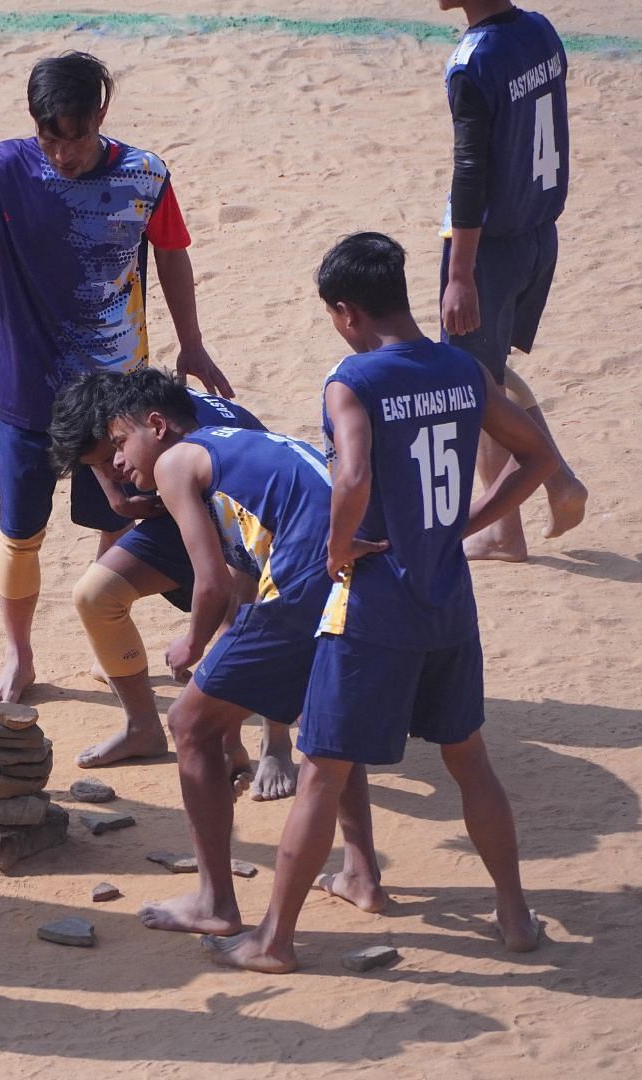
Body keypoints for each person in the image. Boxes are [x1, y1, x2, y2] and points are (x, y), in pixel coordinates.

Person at [207, 233, 554, 972]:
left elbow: (354, 474)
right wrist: (466, 523)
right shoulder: (462, 369)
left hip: (373, 611)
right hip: (449, 604)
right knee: (472, 763)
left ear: (346, 312)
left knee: (321, 771)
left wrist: (337, 548)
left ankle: (273, 942)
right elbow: (538, 456)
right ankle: (517, 917)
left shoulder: (352, 380)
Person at [0, 50, 233, 706]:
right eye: (50, 138)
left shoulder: (146, 175)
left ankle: (105, 629)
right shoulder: (4, 167)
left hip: (117, 397)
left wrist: (195, 345)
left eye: (77, 137)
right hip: (27, 392)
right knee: (20, 532)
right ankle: (19, 652)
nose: (63, 154)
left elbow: (173, 255)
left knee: (119, 518)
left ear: (101, 115)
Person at [92, 378, 338, 937]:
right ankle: (364, 875)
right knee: (330, 727)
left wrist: (193, 645)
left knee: (188, 723)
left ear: (157, 426)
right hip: (358, 568)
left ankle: (215, 903)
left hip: (307, 580)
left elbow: (210, 587)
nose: (118, 461)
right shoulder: (236, 440)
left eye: (120, 443)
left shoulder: (176, 462)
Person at [46, 370, 301, 802]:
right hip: (180, 503)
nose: (114, 470)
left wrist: (197, 641)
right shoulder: (127, 427)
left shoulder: (185, 437)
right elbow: (106, 463)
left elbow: (226, 584)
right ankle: (142, 727)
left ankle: (275, 740)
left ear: (144, 426)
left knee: (244, 617)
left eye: (114, 456)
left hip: (249, 515)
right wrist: (116, 493)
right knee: (95, 595)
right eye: (97, 467)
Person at [437, 0, 588, 560]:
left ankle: (512, 525)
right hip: (538, 231)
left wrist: (460, 274)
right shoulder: (539, 30)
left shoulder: (472, 62)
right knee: (489, 370)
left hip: (488, 247)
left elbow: (471, 172)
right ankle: (556, 484)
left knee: (471, 381)